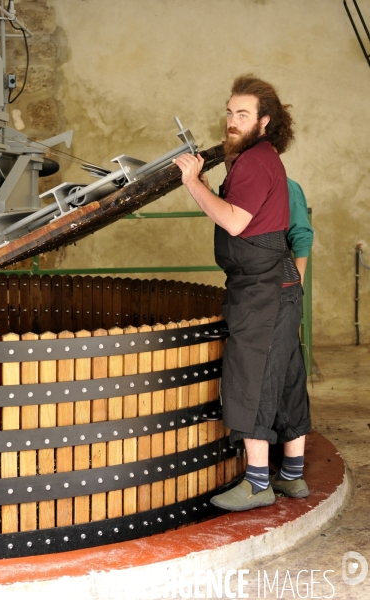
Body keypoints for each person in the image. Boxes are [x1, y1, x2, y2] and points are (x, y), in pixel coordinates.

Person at [174, 74, 312, 512]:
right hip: (278, 284)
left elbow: (235, 222)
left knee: (249, 376)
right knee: (286, 375)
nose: (232, 121)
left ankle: (256, 484)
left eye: (243, 114)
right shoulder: (259, 157)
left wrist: (193, 183)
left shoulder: (254, 160)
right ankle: (291, 476)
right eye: (230, 112)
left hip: (262, 289)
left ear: (264, 121)